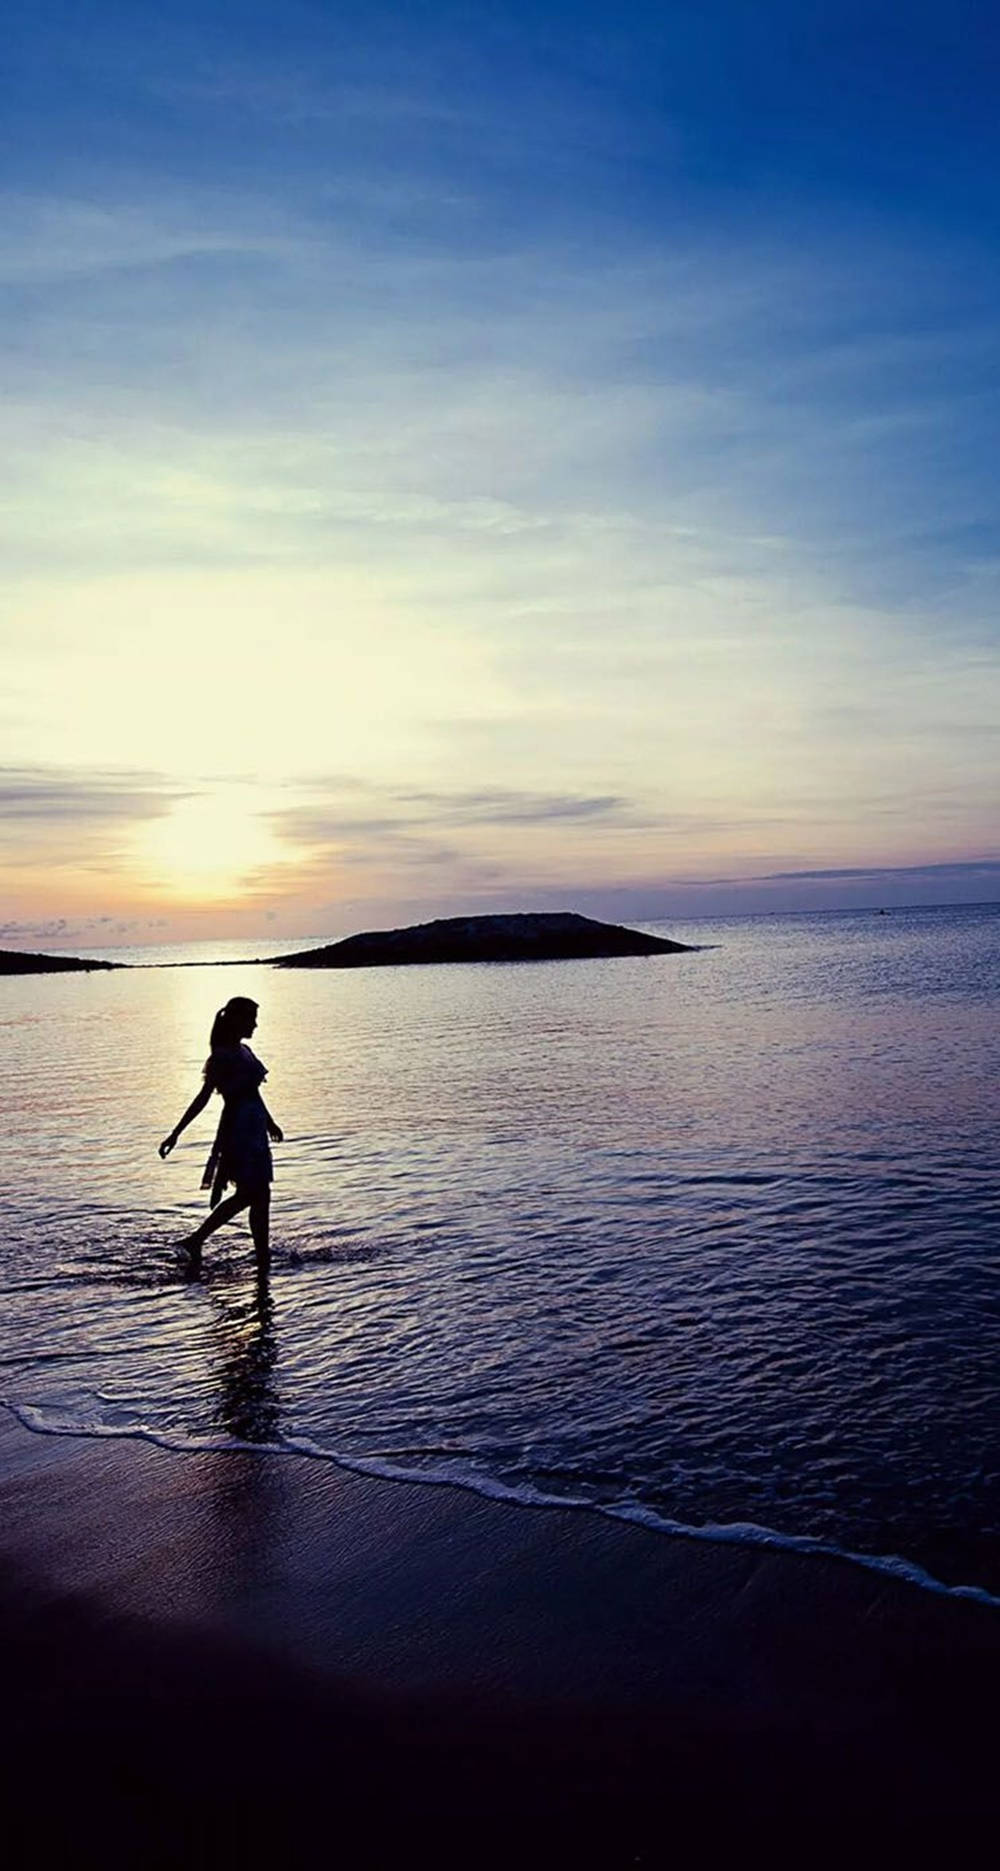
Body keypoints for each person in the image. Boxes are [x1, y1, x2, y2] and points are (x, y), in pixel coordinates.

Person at [159, 996, 283, 1275]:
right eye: (251, 1018)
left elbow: (254, 1092)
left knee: (260, 1194)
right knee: (252, 1193)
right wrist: (175, 1134)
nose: (255, 1024)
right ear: (237, 1020)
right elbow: (203, 1098)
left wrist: (270, 1123)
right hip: (237, 1130)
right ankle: (198, 1239)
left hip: (255, 1129)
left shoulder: (245, 1051)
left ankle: (261, 1255)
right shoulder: (221, 1058)